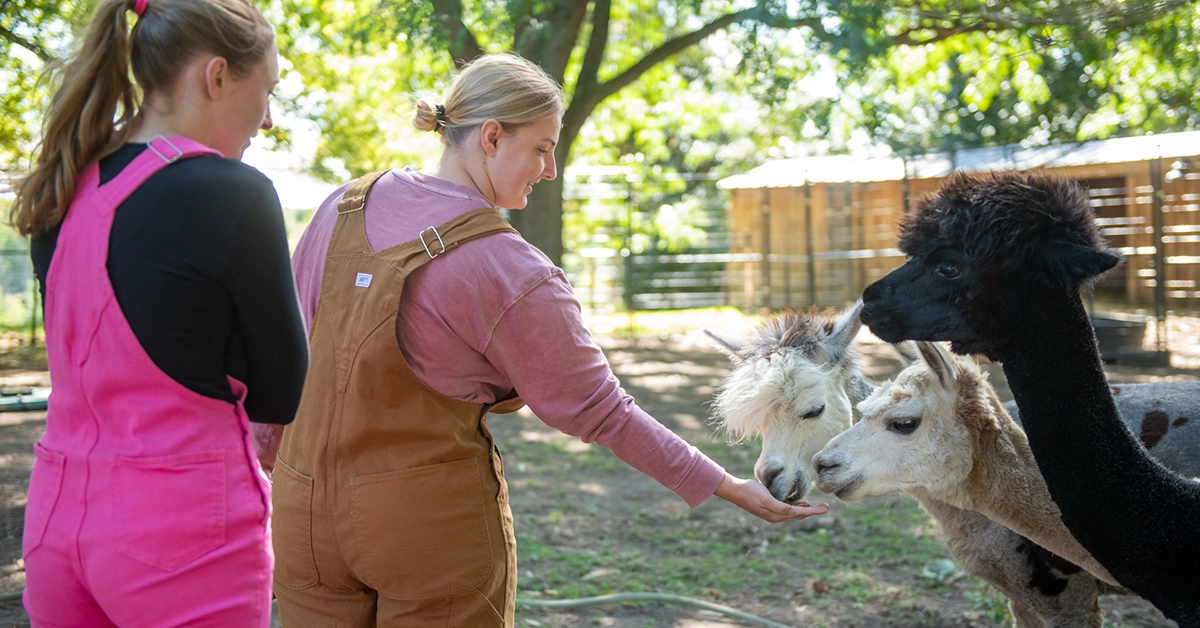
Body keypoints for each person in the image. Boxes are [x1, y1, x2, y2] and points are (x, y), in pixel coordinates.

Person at [259, 52, 827, 627]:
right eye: (543, 147)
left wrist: (263, 478)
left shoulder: (341, 206)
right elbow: (604, 413)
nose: (551, 168)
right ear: (491, 137)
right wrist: (727, 486)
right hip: (423, 530)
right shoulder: (510, 270)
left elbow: (278, 359)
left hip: (301, 517)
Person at [10, 0, 308, 624]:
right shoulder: (234, 193)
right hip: (180, 529)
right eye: (267, 91)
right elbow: (281, 392)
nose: (269, 119)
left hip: (56, 524)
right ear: (217, 76)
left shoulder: (64, 189)